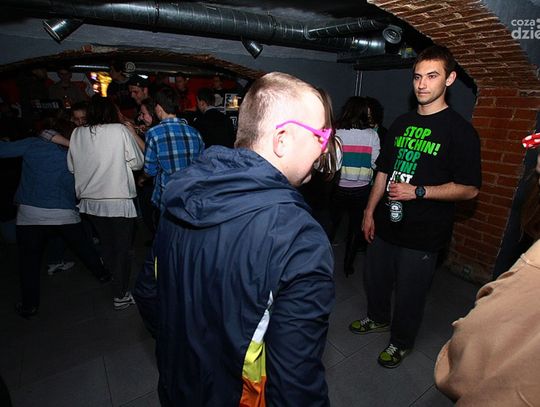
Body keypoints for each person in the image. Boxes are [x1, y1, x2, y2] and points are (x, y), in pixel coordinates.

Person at [144, 72, 335, 406]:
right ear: (282, 139)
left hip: (176, 385)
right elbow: (295, 384)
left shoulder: (181, 193)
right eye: (321, 135)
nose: (324, 149)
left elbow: (148, 292)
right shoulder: (300, 238)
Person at [348, 45, 482, 368]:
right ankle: (378, 318)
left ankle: (401, 342)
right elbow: (383, 171)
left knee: (410, 293)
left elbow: (469, 189)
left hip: (424, 233)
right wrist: (369, 212)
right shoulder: (401, 123)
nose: (422, 84)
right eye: (417, 77)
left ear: (449, 79)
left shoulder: (460, 132)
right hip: (386, 224)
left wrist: (418, 191)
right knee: (376, 280)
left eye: (431, 76)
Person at [0, 115, 110, 318]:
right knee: (84, 248)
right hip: (64, 211)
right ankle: (104, 276)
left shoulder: (33, 144)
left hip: (30, 212)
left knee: (29, 262)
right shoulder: (76, 152)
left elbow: (3, 150)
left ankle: (29, 306)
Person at [67, 95, 144, 311]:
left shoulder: (77, 133)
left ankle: (116, 283)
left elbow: (71, 167)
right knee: (122, 249)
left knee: (107, 245)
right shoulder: (118, 131)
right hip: (116, 198)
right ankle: (121, 294)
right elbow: (138, 163)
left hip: (90, 201)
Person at [330, 96, 380, 276]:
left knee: (331, 225)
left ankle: (321, 261)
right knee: (354, 228)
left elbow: (332, 162)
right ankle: (348, 266)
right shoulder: (372, 135)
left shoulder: (337, 133)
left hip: (338, 187)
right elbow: (375, 162)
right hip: (361, 189)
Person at [141, 86, 204, 216]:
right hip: (189, 197)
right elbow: (201, 166)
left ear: (159, 108)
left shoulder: (154, 133)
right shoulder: (195, 133)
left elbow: (149, 171)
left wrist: (141, 178)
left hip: (167, 197)